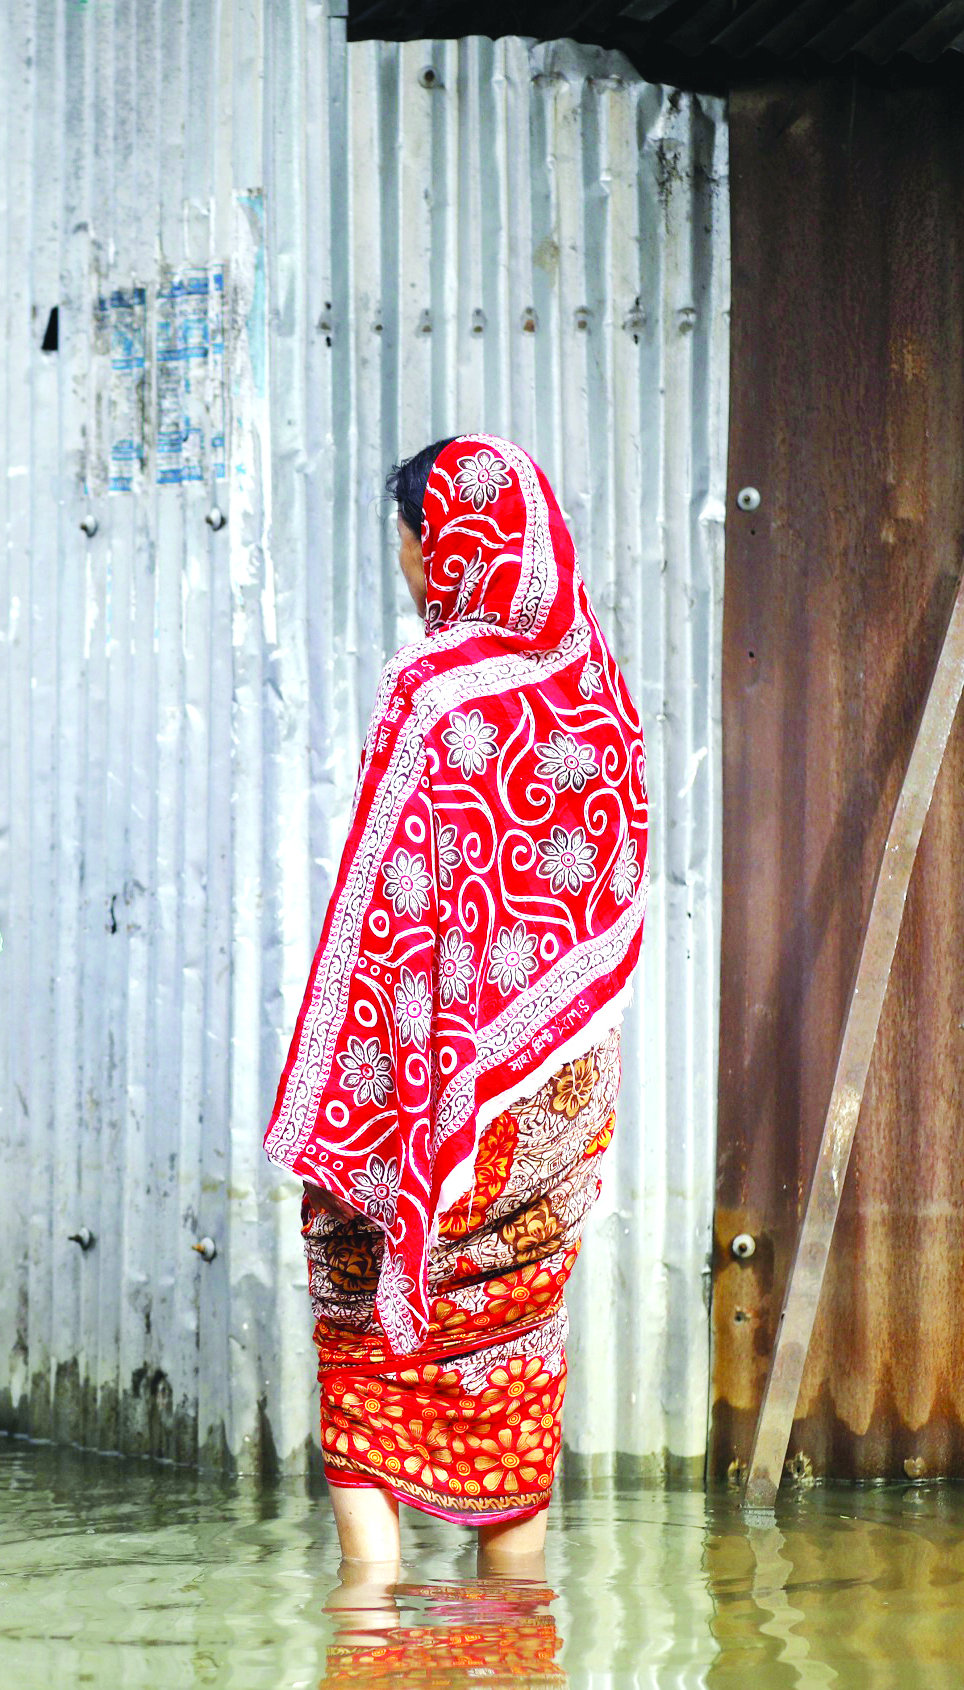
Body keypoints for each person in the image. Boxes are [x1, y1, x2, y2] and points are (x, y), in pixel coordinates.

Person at [265, 435, 648, 1570]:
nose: (404, 560)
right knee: (514, 1365)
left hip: (434, 1094)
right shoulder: (602, 690)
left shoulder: (430, 690)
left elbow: (381, 921)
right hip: (555, 1103)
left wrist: (352, 1114)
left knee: (366, 1357)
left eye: (407, 536)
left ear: (441, 546)